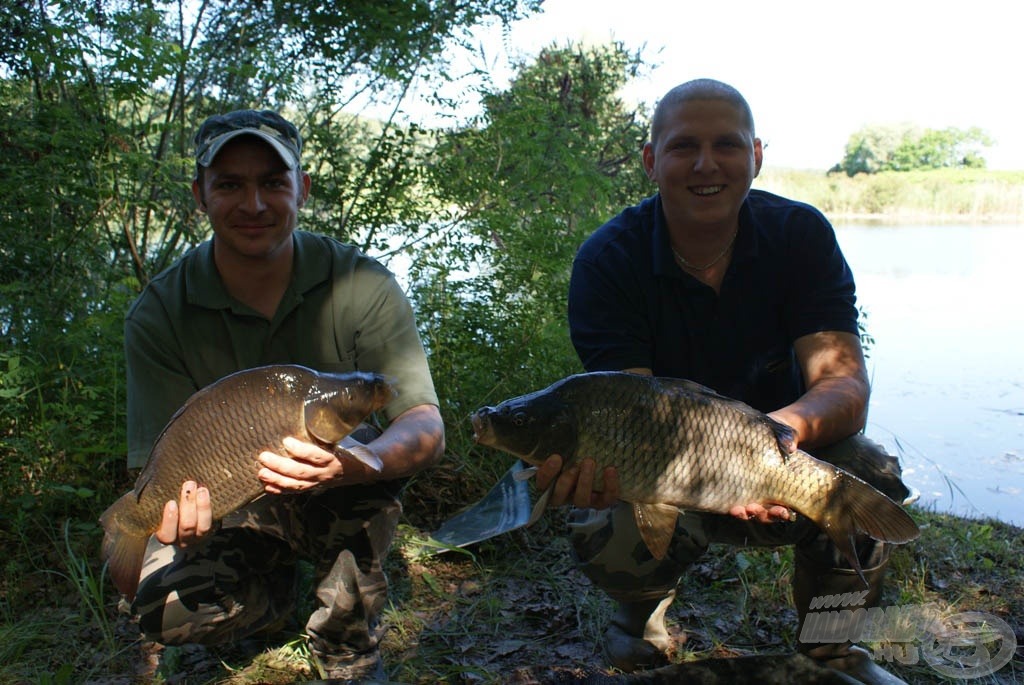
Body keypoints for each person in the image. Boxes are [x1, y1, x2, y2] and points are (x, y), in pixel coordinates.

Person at [535, 79, 912, 684]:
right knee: (611, 513)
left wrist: (771, 439)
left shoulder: (800, 236)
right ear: (651, 160)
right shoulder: (609, 260)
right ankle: (640, 616)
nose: (706, 164)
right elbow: (625, 412)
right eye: (684, 146)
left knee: (868, 475)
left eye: (727, 146)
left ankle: (835, 646)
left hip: (785, 450)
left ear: (756, 156)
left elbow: (844, 388)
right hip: (670, 463)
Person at [122, 109, 445, 680]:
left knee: (366, 450)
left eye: (273, 182)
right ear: (199, 194)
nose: (253, 205)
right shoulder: (158, 313)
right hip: (224, 501)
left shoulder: (362, 283)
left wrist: (361, 464)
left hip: (336, 494)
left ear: (303, 188)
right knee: (159, 607)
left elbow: (424, 425)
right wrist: (173, 519)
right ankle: (268, 605)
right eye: (229, 184)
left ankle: (346, 642)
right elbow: (159, 461)